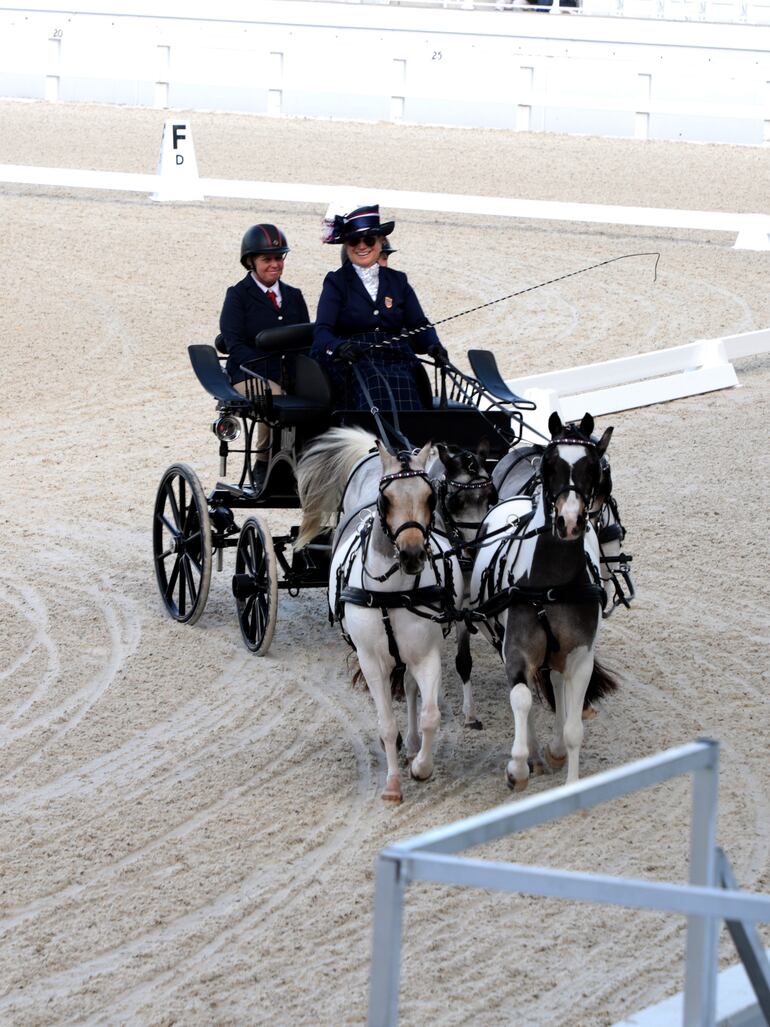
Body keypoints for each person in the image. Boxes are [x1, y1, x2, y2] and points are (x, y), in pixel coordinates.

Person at [312, 205, 448, 412]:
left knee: (408, 381)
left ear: (380, 242)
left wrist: (433, 345)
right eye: (355, 241)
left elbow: (418, 324)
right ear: (347, 246)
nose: (362, 246)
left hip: (394, 356)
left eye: (368, 240)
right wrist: (339, 347)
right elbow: (322, 331)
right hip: (355, 357)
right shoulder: (336, 282)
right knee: (375, 382)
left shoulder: (398, 281)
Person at [219, 224, 310, 489]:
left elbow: (304, 339)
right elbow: (235, 344)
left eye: (279, 258)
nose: (274, 264)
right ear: (251, 262)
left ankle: (302, 462)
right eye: (266, 259)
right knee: (272, 396)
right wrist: (269, 371)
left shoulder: (294, 296)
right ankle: (263, 462)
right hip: (248, 374)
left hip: (288, 374)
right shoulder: (238, 296)